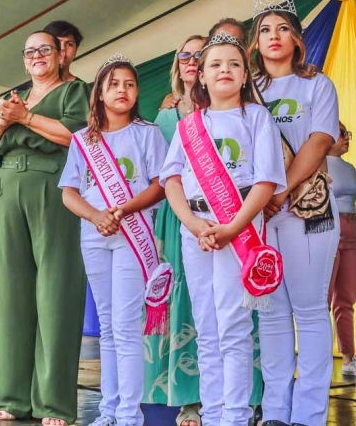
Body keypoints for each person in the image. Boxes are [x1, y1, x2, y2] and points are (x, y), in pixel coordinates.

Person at [161, 31, 287, 426]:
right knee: (206, 324)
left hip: (240, 229)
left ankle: (233, 416)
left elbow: (266, 181)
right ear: (200, 75)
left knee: (233, 324)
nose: (224, 70)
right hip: (196, 230)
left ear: (246, 74)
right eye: (214, 64)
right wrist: (194, 223)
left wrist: (232, 227)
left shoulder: (256, 117)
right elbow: (172, 180)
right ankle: (212, 412)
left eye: (234, 63)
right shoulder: (188, 126)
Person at [0, 31, 89, 426]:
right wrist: (4, 122)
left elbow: (76, 134)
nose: (38, 56)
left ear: (60, 55)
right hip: (8, 187)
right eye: (31, 52)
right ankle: (10, 396)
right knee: (10, 293)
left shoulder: (74, 91)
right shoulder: (12, 98)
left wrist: (25, 118)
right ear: (24, 61)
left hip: (53, 185)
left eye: (46, 49)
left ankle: (53, 403)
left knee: (55, 290)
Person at [249, 0, 341, 426]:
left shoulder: (317, 85)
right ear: (255, 43)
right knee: (272, 312)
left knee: (308, 308)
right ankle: (276, 412)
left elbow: (320, 141)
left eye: (283, 28)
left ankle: (308, 414)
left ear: (299, 39)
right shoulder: (247, 93)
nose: (274, 36)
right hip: (259, 216)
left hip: (308, 208)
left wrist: (278, 191)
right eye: (264, 30)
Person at [60, 56, 168, 426]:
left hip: (132, 237)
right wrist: (96, 215)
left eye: (129, 84)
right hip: (94, 235)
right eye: (114, 84)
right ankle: (109, 409)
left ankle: (129, 414)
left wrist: (122, 210)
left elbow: (161, 185)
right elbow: (69, 192)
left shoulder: (147, 132)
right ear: (100, 93)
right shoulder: (82, 140)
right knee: (107, 325)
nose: (122, 90)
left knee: (124, 325)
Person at [144, 35, 205, 426]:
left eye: (200, 55)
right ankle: (183, 397)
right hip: (173, 215)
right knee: (177, 299)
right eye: (185, 55)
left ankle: (222, 395)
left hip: (216, 215)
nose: (192, 61)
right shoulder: (165, 115)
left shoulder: (223, 109)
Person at [326, 122, 356, 379]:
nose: (347, 139)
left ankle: (348, 357)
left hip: (352, 229)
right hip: (329, 228)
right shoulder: (316, 162)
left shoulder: (350, 167)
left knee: (346, 298)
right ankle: (320, 357)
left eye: (348, 134)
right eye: (342, 134)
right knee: (322, 298)